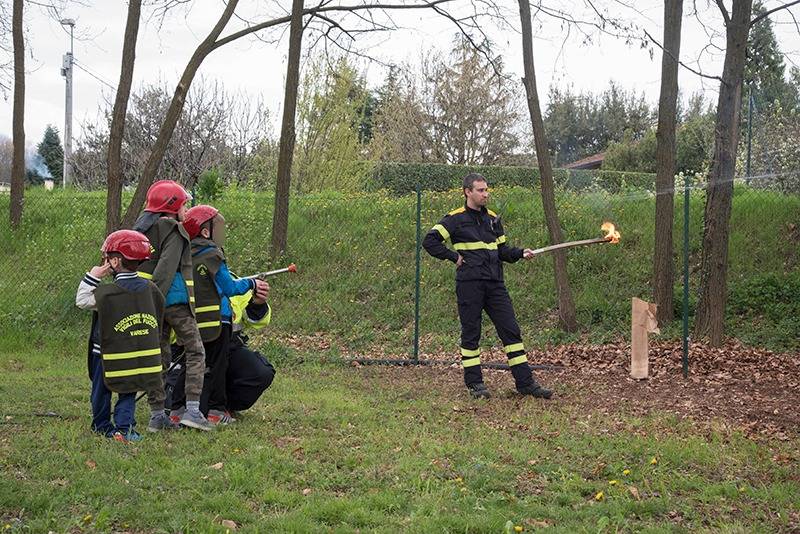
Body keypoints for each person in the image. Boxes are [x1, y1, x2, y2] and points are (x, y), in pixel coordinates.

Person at [422, 172, 552, 400]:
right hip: (470, 286)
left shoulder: (493, 219)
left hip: (495, 285)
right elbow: (429, 241)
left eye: (486, 189)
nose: (486, 194)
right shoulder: (454, 218)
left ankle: (525, 383)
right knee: (471, 334)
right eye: (481, 190)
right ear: (467, 192)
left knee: (511, 331)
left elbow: (502, 251)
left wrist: (521, 253)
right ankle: (475, 384)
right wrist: (453, 257)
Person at [166, 204, 266, 425]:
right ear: (205, 231)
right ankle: (216, 410)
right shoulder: (213, 255)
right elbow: (230, 288)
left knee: (193, 362)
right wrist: (251, 283)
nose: (222, 233)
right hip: (218, 322)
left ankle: (176, 409)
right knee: (216, 367)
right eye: (218, 228)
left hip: (191, 322)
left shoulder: (184, 258)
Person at [133, 180, 212, 431]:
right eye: (184, 205)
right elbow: (165, 271)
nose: (186, 211)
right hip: (172, 302)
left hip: (147, 301)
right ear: (172, 206)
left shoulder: (143, 229)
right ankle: (192, 411)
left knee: (159, 357)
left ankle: (157, 416)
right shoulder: (174, 230)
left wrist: (146, 305)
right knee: (196, 351)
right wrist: (156, 303)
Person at [75, 230, 165, 442]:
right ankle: (125, 429)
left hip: (105, 354)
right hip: (136, 352)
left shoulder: (107, 293)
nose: (105, 261)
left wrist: (94, 275)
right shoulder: (151, 289)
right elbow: (160, 312)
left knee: (101, 391)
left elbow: (82, 300)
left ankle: (102, 426)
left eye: (107, 258)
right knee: (129, 389)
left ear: (115, 261)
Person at [167, 269, 276, 422]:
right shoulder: (179, 280)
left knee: (260, 373)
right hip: (188, 352)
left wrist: (257, 303)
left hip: (228, 347)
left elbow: (256, 321)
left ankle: (223, 406)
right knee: (186, 408)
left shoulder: (232, 280)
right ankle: (205, 405)